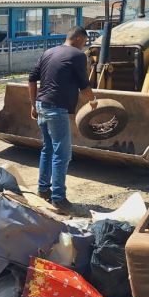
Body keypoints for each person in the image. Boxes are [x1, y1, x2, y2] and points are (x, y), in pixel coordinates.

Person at [28, 26, 97, 210]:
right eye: (84, 43)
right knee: (62, 154)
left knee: (48, 149)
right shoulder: (77, 55)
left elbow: (31, 78)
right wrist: (93, 101)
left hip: (42, 105)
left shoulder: (49, 52)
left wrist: (33, 105)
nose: (83, 47)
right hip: (56, 109)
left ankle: (43, 190)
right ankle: (59, 198)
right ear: (79, 39)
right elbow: (84, 85)